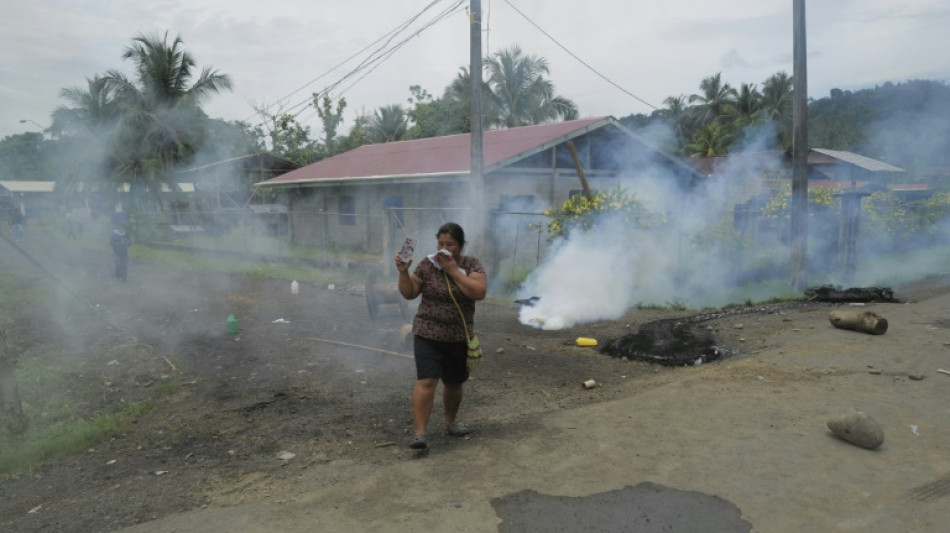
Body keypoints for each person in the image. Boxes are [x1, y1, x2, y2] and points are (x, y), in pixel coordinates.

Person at [395, 222, 487, 451]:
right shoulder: (427, 265)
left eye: (450, 244)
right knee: (426, 381)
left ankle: (450, 423)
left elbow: (479, 292)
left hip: (458, 337)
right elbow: (409, 293)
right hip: (427, 334)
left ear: (461, 245)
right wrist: (404, 272)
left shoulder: (471, 264)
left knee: (454, 384)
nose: (445, 248)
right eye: (441, 243)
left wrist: (453, 271)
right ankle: (420, 434)